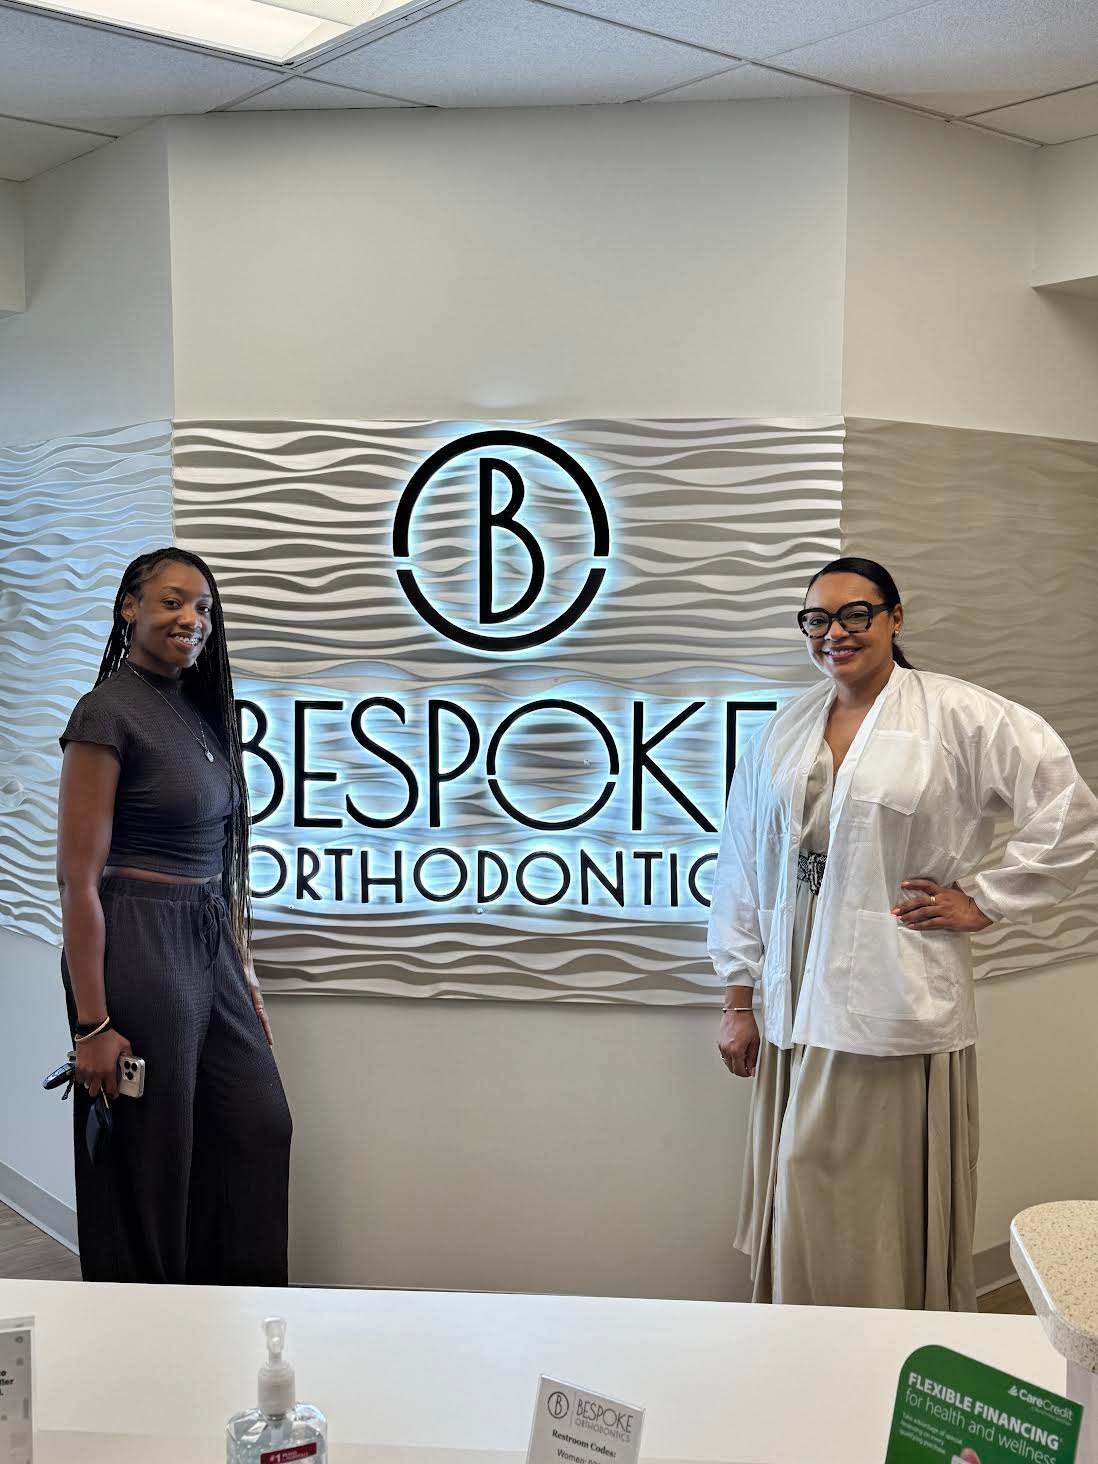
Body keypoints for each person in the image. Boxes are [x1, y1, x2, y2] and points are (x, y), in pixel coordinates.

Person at [708, 556, 1098, 1310]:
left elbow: (1069, 813)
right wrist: (738, 995)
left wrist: (984, 900)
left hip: (890, 991)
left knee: (855, 1194)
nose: (835, 634)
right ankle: (799, 1346)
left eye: (855, 614)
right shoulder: (789, 727)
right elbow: (740, 863)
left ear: (894, 618)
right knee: (799, 1183)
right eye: (817, 620)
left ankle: (878, 1345)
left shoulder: (956, 714)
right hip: (793, 996)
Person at [56, 546, 292, 1284]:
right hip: (139, 935)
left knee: (258, 1123)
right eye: (171, 601)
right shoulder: (105, 712)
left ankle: (236, 1309)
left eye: (204, 608)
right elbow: (78, 881)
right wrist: (92, 1025)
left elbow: (219, 862)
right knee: (158, 1152)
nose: (191, 619)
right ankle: (151, 1326)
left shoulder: (195, 713)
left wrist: (241, 968)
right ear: (130, 606)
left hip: (205, 935)